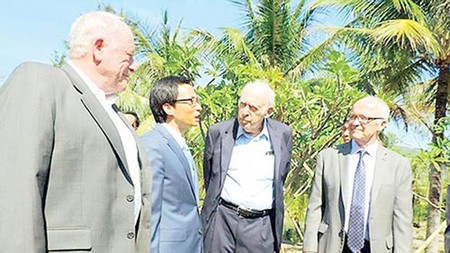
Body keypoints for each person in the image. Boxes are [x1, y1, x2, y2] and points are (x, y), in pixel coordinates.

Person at [0, 11, 151, 252]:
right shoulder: (41, 81)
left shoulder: (118, 116)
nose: (134, 67)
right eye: (129, 56)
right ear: (99, 47)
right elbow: (14, 194)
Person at [303, 96, 413, 253]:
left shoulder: (398, 165)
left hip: (376, 247)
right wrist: (309, 248)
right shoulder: (329, 157)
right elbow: (315, 207)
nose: (354, 123)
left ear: (382, 124)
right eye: (353, 116)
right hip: (333, 245)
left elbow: (402, 219)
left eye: (364, 118)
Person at [202, 80, 293, 253]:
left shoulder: (283, 135)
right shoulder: (219, 132)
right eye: (242, 104)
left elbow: (281, 175)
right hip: (222, 222)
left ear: (269, 111)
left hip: (260, 227)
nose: (245, 112)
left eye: (253, 108)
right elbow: (210, 176)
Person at [140, 76, 203, 253]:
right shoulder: (153, 146)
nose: (198, 107)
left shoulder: (180, 144)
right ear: (168, 107)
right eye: (191, 101)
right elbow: (150, 212)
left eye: (197, 100)